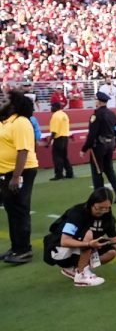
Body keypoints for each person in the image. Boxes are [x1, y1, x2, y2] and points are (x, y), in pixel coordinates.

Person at [43, 188, 116, 287]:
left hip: (79, 248)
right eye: (99, 208)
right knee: (89, 234)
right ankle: (81, 275)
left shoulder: (108, 218)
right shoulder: (77, 212)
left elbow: (115, 239)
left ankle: (74, 270)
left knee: (111, 252)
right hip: (60, 251)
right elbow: (64, 241)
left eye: (107, 208)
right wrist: (88, 244)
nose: (102, 211)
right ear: (91, 203)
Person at [0, 90, 39, 264]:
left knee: (20, 209)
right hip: (6, 172)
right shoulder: (6, 122)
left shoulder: (21, 122)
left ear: (13, 105)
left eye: (5, 100)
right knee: (11, 210)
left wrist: (16, 177)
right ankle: (16, 247)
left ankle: (24, 250)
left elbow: (23, 150)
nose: (1, 102)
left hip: (21, 171)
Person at [80, 92, 116, 203]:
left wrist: (84, 149)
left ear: (99, 102)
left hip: (99, 146)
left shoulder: (96, 115)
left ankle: (99, 196)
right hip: (110, 144)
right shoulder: (112, 114)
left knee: (97, 171)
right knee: (109, 169)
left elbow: (92, 134)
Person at [46, 101, 73, 180]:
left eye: (52, 106)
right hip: (65, 137)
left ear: (55, 107)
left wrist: (49, 142)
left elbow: (54, 131)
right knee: (64, 156)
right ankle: (69, 173)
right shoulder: (64, 114)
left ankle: (59, 174)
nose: (51, 108)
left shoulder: (55, 116)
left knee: (57, 157)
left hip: (58, 138)